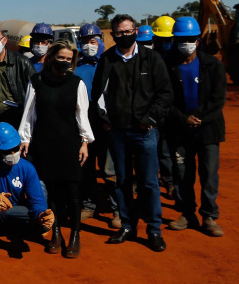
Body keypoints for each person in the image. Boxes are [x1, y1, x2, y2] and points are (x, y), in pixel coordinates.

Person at [92, 14, 173, 252]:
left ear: (135, 31)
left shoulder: (151, 58)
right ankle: (127, 225)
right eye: (119, 33)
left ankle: (154, 229)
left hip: (145, 133)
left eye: (128, 31)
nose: (124, 36)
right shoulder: (107, 60)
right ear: (113, 35)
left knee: (149, 183)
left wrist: (149, 119)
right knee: (123, 182)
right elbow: (98, 95)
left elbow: (165, 94)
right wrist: (105, 122)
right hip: (118, 133)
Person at [18, 40, 94, 258]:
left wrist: (85, 142)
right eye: (61, 58)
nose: (64, 62)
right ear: (51, 57)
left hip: (70, 144)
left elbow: (82, 116)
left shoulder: (76, 83)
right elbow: (29, 113)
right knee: (51, 191)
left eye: (69, 59)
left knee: (72, 191)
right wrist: (25, 138)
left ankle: (75, 236)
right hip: (45, 143)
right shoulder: (37, 81)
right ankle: (56, 233)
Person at [165, 17, 225, 237]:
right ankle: (187, 213)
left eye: (190, 39)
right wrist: (183, 119)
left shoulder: (212, 64)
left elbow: (217, 99)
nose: (185, 43)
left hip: (208, 129)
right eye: (181, 39)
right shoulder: (168, 66)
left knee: (209, 173)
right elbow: (165, 99)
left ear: (197, 41)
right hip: (180, 130)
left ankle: (209, 216)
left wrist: (197, 118)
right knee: (182, 173)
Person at [0, 123, 55, 265]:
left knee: (37, 211)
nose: (13, 154)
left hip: (14, 210)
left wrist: (41, 213)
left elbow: (36, 199)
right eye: (7, 151)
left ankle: (24, 231)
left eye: (15, 149)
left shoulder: (26, 168)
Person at [74, 24, 116, 227]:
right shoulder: (76, 66)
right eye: (84, 42)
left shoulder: (110, 62)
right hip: (85, 124)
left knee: (110, 169)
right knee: (86, 167)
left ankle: (117, 209)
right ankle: (89, 204)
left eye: (93, 41)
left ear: (101, 41)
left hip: (107, 124)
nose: (89, 45)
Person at [151, 16, 178, 202]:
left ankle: (170, 183)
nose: (165, 43)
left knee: (169, 151)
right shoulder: (149, 59)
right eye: (161, 39)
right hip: (153, 112)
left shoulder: (179, 59)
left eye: (168, 39)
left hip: (175, 113)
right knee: (153, 150)